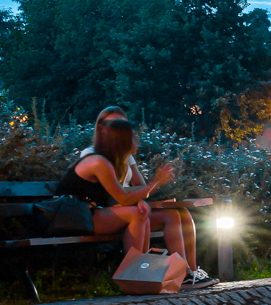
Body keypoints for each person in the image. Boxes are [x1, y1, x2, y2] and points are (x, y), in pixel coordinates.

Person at [59, 117, 211, 284]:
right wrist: (155, 182)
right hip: (74, 216)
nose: (137, 141)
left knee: (162, 214)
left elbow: (122, 193)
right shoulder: (98, 162)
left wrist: (139, 198)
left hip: (90, 213)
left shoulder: (114, 162)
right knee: (137, 214)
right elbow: (123, 198)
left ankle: (184, 274)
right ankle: (134, 276)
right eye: (133, 137)